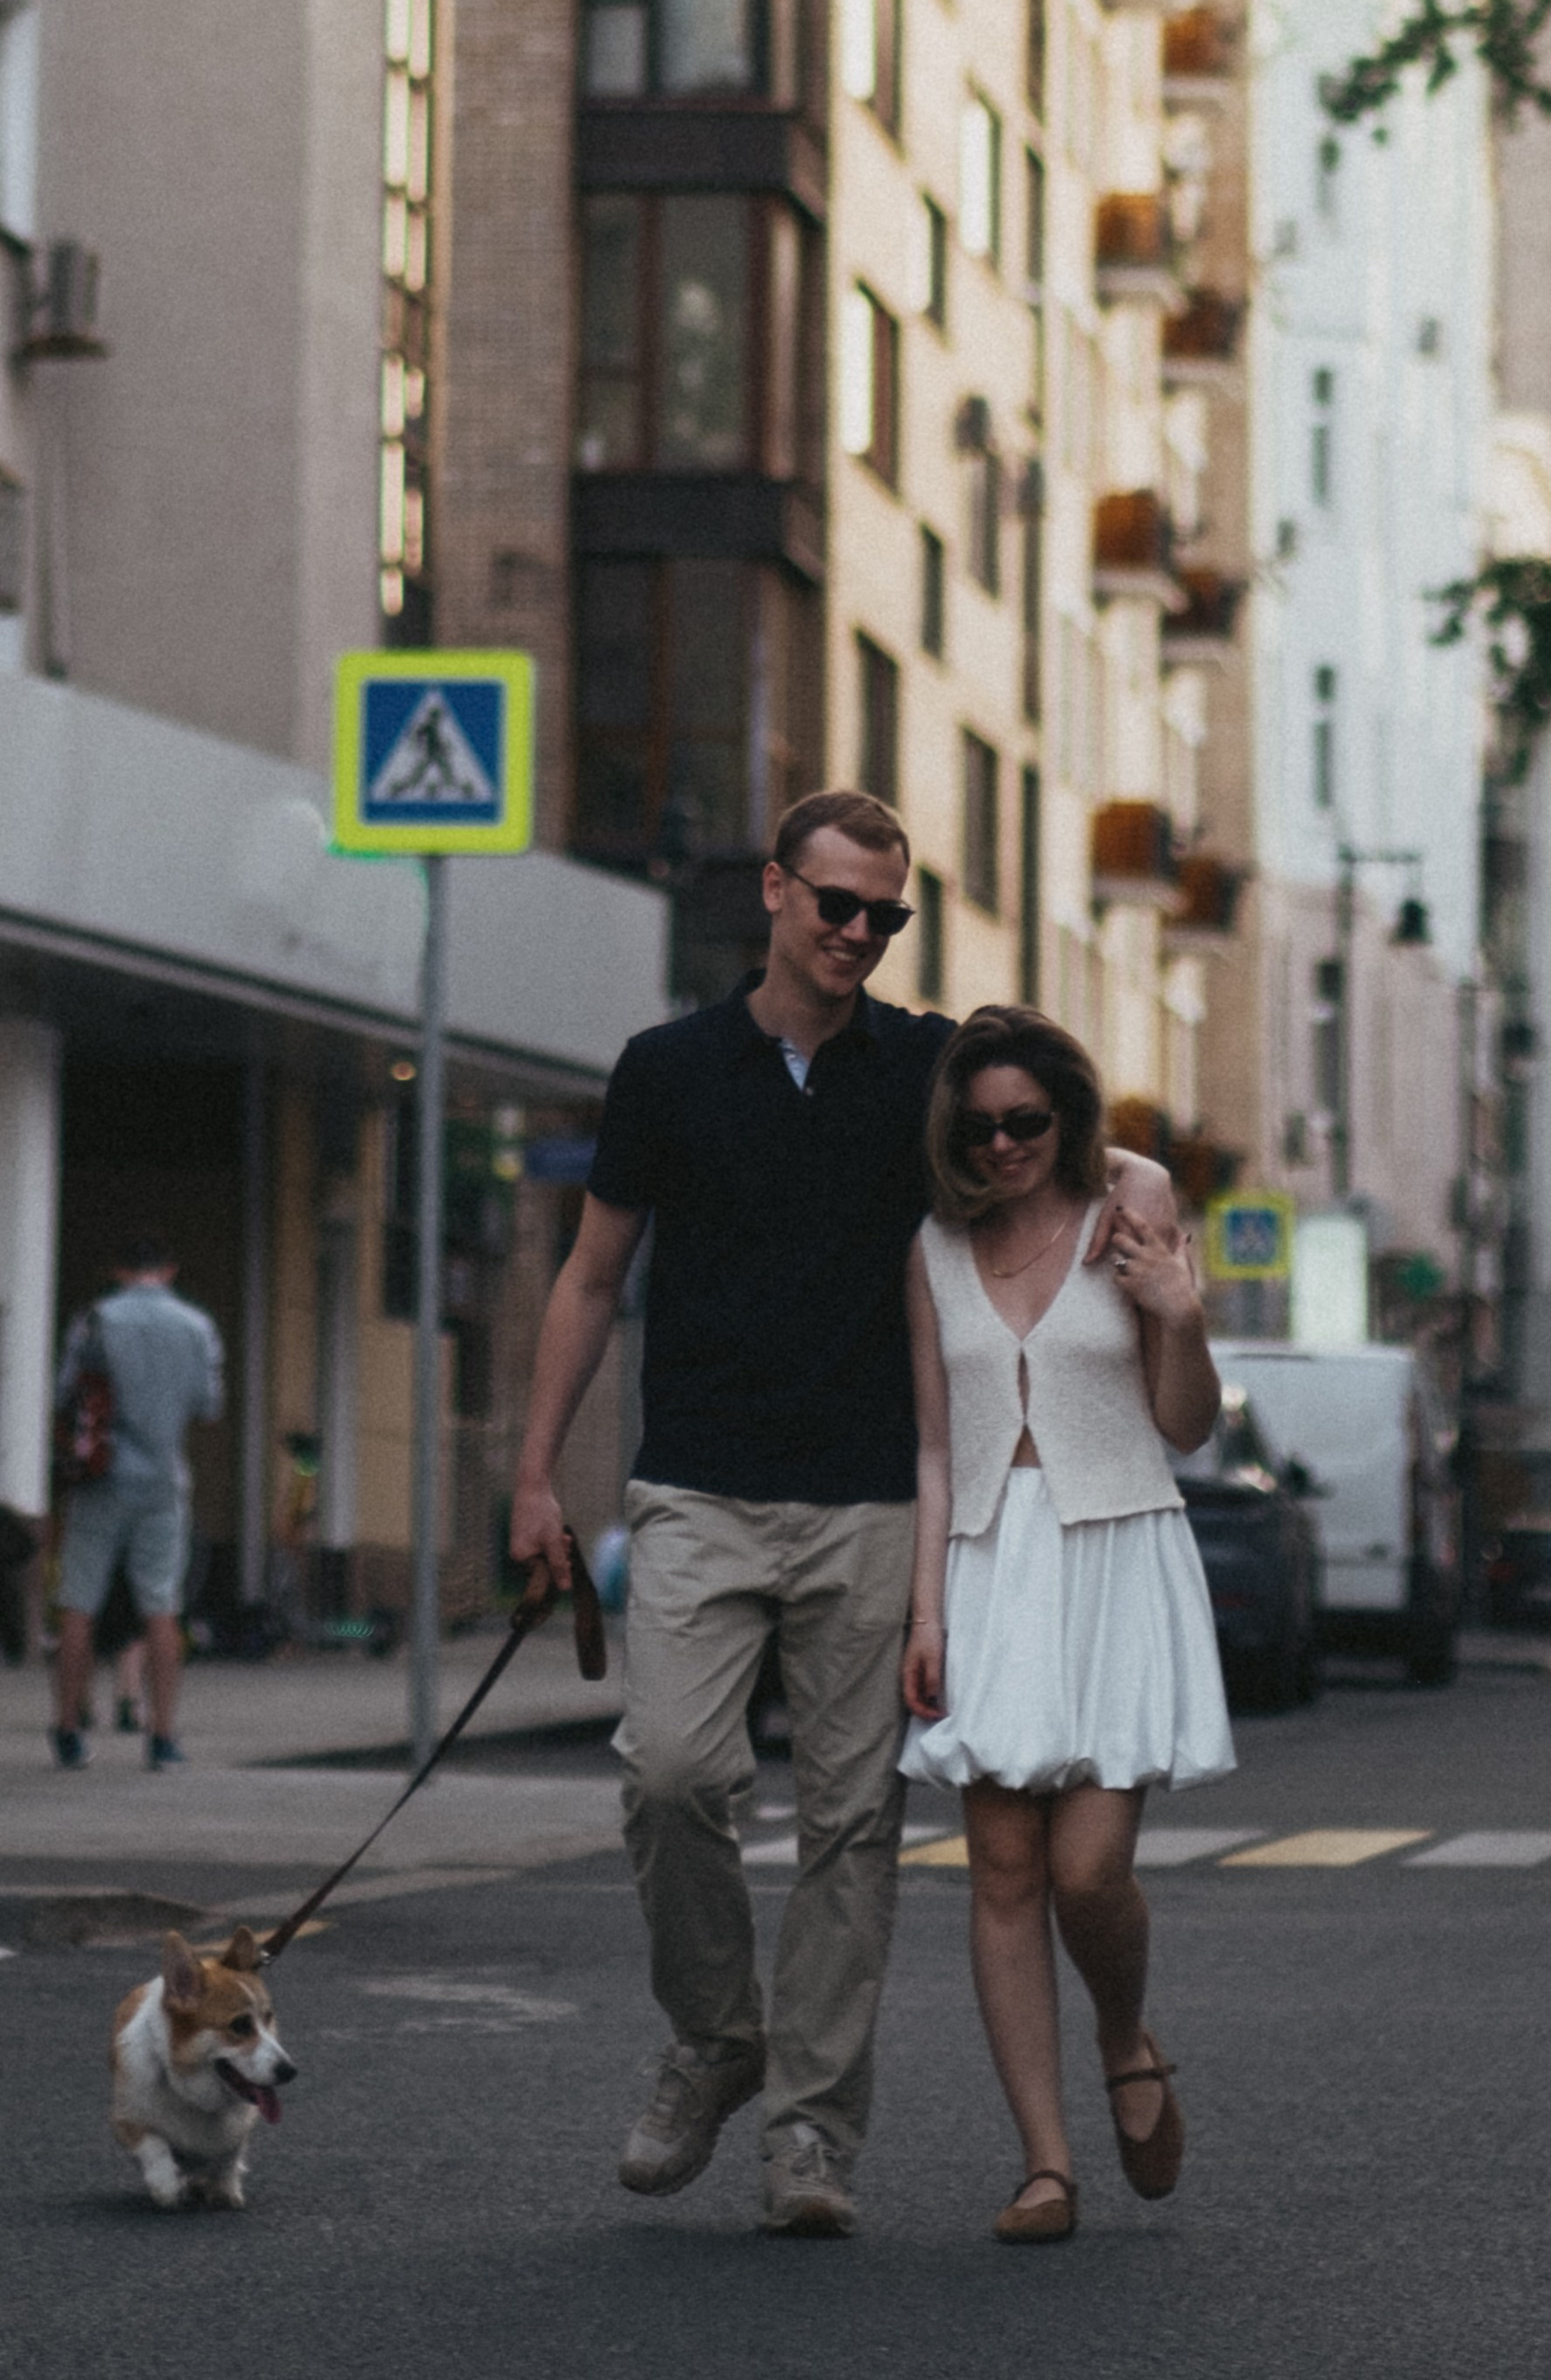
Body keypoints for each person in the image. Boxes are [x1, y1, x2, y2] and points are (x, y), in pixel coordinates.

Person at [506, 789, 1170, 2239]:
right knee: (673, 1773)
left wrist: (1143, 1203)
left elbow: (1047, 1125)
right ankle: (716, 2036)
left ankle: (810, 2135)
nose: (860, 932)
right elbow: (591, 1277)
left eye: (888, 915)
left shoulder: (925, 1067)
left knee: (850, 1828)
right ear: (775, 893)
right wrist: (535, 1474)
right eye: (838, 905)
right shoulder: (667, 1068)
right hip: (698, 1485)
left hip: (874, 1498)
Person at [901, 1005, 1232, 2246]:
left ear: (1068, 1116)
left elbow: (1185, 1422)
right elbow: (936, 1449)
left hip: (1114, 1548)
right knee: (1003, 1873)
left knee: (1089, 1872)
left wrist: (1182, 1311)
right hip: (987, 1564)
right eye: (980, 1126)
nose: (1003, 1146)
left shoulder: (1130, 1203)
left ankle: (1121, 2034)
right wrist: (926, 1610)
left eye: (1026, 1122)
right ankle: (1047, 2165)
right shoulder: (934, 1246)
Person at [50, 1237, 223, 1772]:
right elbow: (209, 1406)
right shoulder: (197, 1327)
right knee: (161, 1607)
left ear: (118, 1269)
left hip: (101, 1480)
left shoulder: (95, 1321)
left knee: (79, 1603)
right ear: (168, 1269)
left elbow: (64, 1398)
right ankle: (163, 1736)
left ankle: (69, 1729)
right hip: (164, 1485)